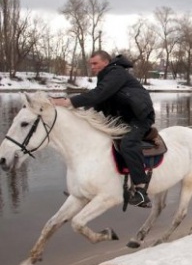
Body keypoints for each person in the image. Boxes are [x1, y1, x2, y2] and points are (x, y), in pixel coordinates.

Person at [51, 51, 155, 208]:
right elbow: (97, 102)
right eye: (90, 64)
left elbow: (98, 95)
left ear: (106, 62)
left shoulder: (116, 73)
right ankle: (93, 186)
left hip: (139, 118)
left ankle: (141, 190)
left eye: (95, 63)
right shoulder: (106, 77)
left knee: (128, 143)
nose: (92, 67)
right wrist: (74, 113)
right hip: (123, 119)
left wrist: (69, 101)